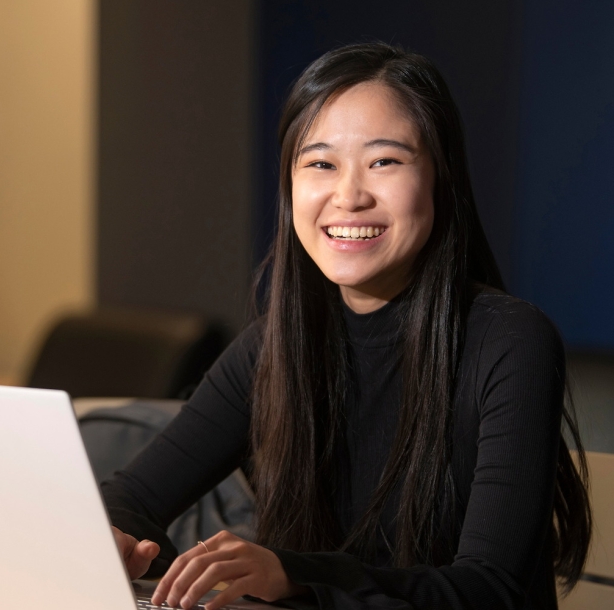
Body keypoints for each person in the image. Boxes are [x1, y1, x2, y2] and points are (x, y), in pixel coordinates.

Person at [103, 42, 591, 610]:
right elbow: (130, 497)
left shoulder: (509, 340)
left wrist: (296, 574)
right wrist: (123, 545)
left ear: (440, 178)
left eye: (385, 161)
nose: (349, 196)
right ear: (290, 187)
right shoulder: (273, 346)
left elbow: (491, 589)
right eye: (320, 164)